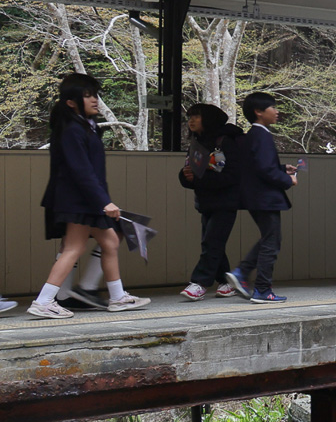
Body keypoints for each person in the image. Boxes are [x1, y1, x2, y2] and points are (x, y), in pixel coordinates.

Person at [31, 73, 151, 319]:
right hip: (78, 201)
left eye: (95, 95)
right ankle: (43, 302)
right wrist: (103, 201)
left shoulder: (83, 126)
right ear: (71, 102)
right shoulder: (72, 129)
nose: (94, 100)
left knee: (110, 242)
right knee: (74, 248)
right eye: (87, 96)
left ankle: (117, 298)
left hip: (84, 200)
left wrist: (101, 200)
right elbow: (80, 171)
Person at [228, 91, 297, 305]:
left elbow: (258, 165)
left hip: (253, 197)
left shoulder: (252, 135)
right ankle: (262, 289)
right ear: (259, 112)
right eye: (272, 108)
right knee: (272, 242)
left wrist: (281, 168)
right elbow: (265, 170)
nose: (276, 111)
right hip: (265, 197)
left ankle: (242, 272)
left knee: (269, 238)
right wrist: (288, 180)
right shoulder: (263, 135)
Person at [178, 103, 244, 300]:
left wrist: (199, 179)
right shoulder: (196, 143)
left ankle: (199, 283)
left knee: (212, 242)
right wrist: (185, 176)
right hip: (205, 203)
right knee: (213, 243)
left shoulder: (225, 142)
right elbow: (189, 174)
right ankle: (226, 282)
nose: (191, 120)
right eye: (189, 116)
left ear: (209, 119)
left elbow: (232, 176)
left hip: (225, 203)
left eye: (196, 116)